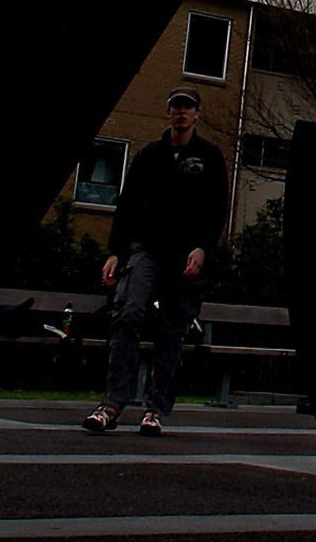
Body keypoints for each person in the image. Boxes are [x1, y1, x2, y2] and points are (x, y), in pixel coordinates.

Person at [84, 89, 228, 436]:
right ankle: (113, 403)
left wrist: (203, 248)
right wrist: (116, 251)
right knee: (128, 314)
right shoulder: (150, 154)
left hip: (185, 255)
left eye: (187, 107)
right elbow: (128, 204)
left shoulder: (209, 156)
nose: (181, 112)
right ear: (169, 113)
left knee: (171, 329)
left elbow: (216, 208)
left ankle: (155, 409)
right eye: (176, 107)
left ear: (196, 114)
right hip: (147, 249)